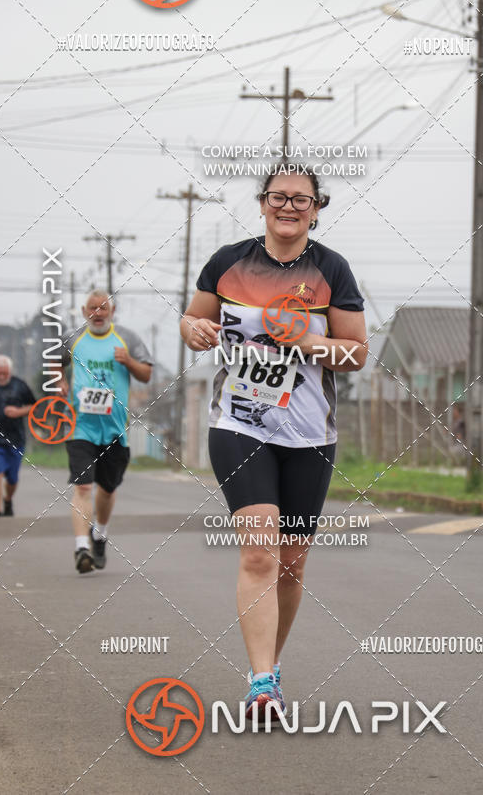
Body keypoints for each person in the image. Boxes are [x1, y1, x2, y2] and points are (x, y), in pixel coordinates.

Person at [181, 163, 367, 719]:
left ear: (316, 207)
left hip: (309, 432)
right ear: (262, 203)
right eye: (279, 197)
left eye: (302, 199)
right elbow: (194, 324)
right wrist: (192, 330)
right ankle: (262, 681)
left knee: (291, 563)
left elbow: (355, 353)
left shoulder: (332, 269)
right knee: (260, 551)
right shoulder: (227, 263)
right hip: (239, 425)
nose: (289, 207)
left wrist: (307, 340)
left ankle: (271, 662)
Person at [59, 290, 153, 574]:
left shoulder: (127, 337)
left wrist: (128, 361)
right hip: (80, 425)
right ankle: (81, 547)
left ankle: (99, 535)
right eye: (92, 308)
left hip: (115, 429)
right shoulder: (73, 338)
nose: (97, 313)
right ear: (82, 310)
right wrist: (60, 382)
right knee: (84, 486)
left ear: (112, 311)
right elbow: (54, 362)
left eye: (103, 308)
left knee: (108, 489)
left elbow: (146, 374)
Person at [0, 355, 36, 517]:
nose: (1, 376)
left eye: (5, 373)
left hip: (15, 438)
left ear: (10, 371)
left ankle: (7, 499)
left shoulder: (19, 385)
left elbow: (34, 406)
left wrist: (18, 412)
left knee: (12, 478)